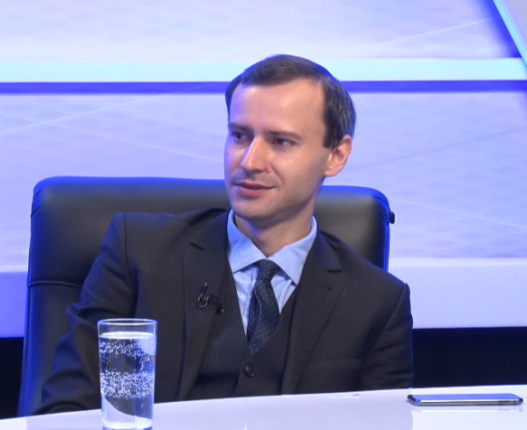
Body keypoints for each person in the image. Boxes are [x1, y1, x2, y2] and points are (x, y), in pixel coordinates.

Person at [36, 54, 413, 414]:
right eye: (240, 135)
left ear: (336, 155)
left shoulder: (377, 302)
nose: (250, 161)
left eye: (280, 141)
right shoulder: (137, 255)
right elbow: (67, 411)